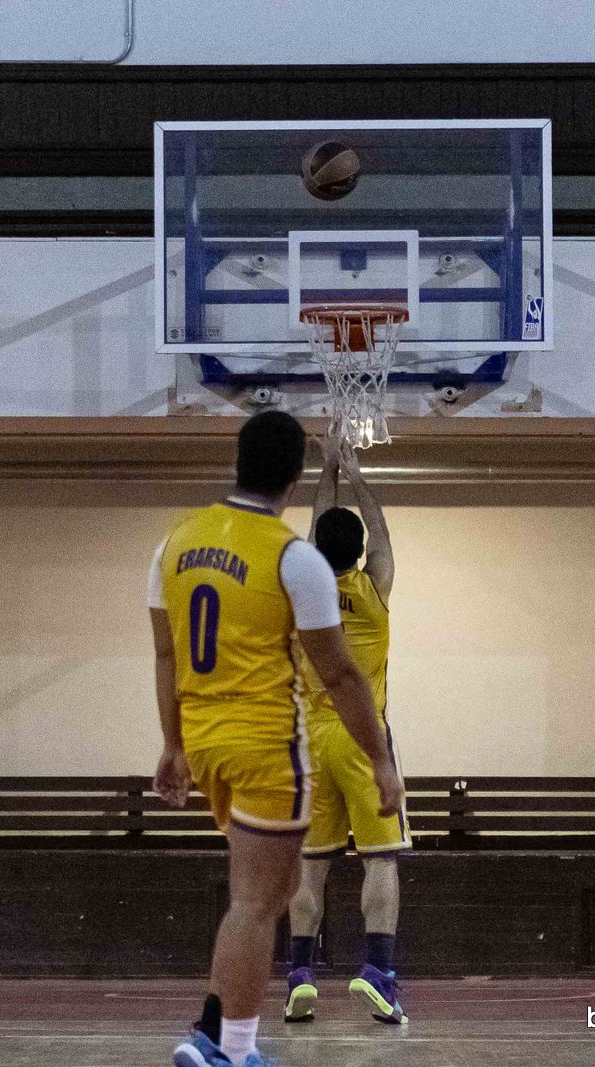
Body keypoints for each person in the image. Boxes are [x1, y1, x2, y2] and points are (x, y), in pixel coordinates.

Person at [151, 411, 404, 1067]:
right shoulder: (312, 568)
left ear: (238, 460)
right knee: (275, 895)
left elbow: (166, 655)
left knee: (285, 881)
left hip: (210, 738)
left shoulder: (175, 544)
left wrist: (173, 745)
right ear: (291, 474)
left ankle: (276, 991)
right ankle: (232, 1044)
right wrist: (382, 760)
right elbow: (341, 673)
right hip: (285, 739)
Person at [285, 436, 409, 1025]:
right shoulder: (374, 588)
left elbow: (317, 533)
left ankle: (299, 975)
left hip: (312, 739)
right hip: (364, 737)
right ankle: (378, 973)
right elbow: (379, 533)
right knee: (381, 860)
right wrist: (357, 475)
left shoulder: (306, 594)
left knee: (311, 865)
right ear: (358, 552)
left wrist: (327, 469)